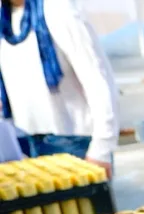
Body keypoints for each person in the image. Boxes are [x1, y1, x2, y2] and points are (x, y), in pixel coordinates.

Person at [0, 0, 118, 177]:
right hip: (25, 148)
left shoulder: (58, 8)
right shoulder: (4, 19)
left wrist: (101, 148)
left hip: (73, 145)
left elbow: (98, 80)